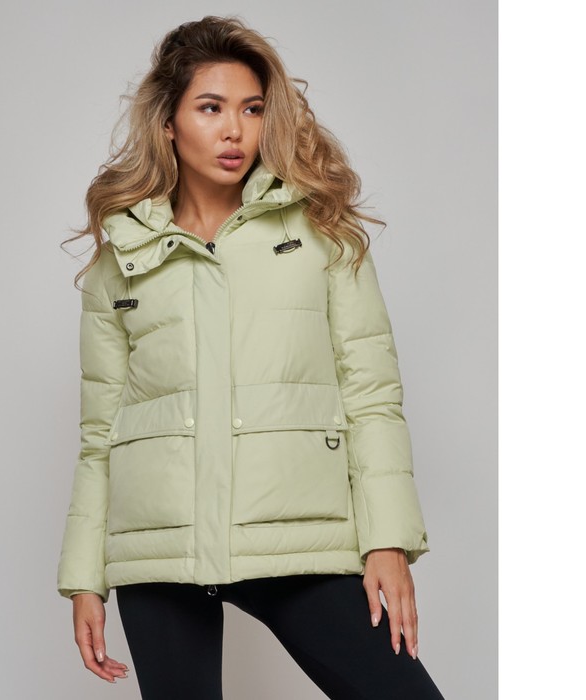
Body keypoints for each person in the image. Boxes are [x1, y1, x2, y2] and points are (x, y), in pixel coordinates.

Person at [57, 15, 445, 700]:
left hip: (296, 536)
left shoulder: (323, 234)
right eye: (211, 108)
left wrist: (386, 540)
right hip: (159, 550)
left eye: (252, 109)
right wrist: (85, 576)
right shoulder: (123, 260)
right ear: (168, 123)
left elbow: (372, 397)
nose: (235, 130)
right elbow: (100, 434)